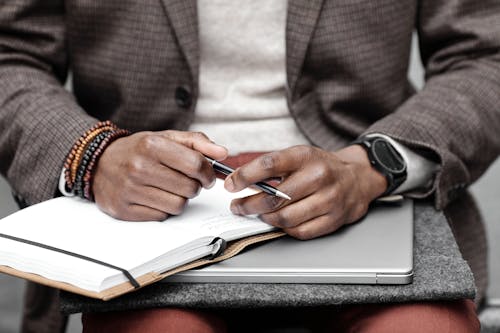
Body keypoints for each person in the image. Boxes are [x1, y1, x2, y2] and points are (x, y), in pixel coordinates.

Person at [1, 0, 499, 332]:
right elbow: (11, 55)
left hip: (369, 193)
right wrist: (93, 155)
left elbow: (484, 56)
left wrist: (375, 165)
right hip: (145, 220)